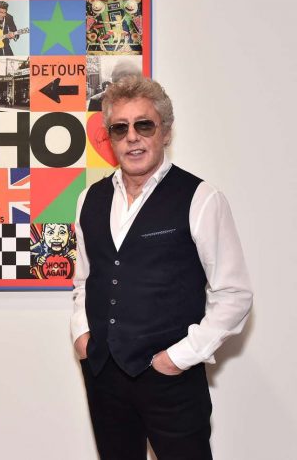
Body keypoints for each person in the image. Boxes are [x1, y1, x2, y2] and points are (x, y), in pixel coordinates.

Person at [71, 75, 253, 460]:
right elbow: (85, 280)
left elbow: (234, 295)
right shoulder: (90, 198)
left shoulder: (201, 198)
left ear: (165, 132)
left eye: (144, 125)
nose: (132, 138)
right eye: (120, 128)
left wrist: (179, 358)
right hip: (104, 375)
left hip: (171, 379)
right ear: (109, 138)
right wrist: (82, 334)